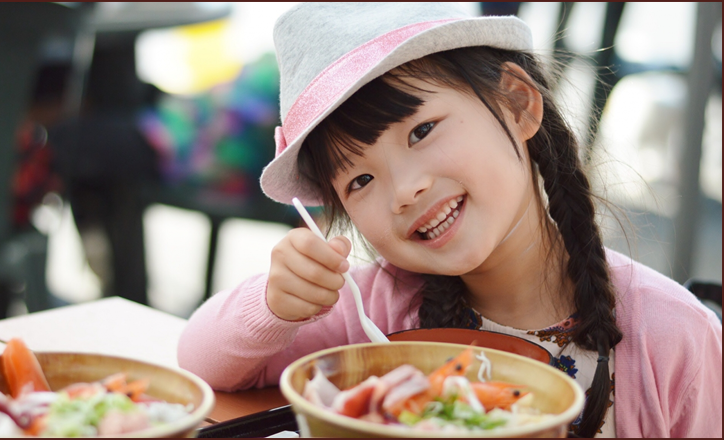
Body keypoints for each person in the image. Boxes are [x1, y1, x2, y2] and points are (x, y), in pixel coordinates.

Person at [177, 3, 722, 438]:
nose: (404, 191)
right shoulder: (376, 310)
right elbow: (200, 362)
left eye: (421, 131)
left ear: (517, 103)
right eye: (360, 181)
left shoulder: (672, 337)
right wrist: (275, 303)